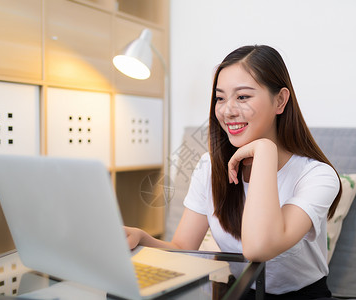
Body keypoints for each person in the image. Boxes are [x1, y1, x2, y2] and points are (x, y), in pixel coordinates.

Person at [125, 45, 342, 299]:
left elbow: (259, 248)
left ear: (280, 101)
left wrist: (264, 151)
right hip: (237, 291)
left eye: (242, 97)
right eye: (220, 98)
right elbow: (183, 248)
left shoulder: (317, 176)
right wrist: (142, 239)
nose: (227, 111)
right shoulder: (210, 167)